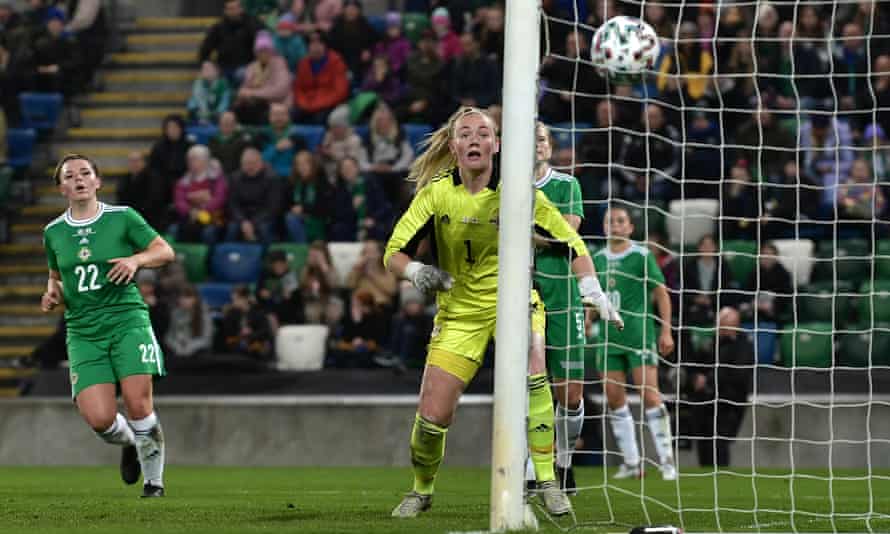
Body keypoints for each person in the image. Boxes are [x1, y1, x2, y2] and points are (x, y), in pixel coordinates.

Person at [384, 107, 621, 518]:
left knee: (535, 373)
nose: (474, 139)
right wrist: (419, 272)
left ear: (496, 144)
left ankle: (548, 481)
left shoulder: (519, 193)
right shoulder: (436, 193)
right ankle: (421, 490)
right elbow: (393, 253)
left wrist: (592, 289)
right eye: (465, 134)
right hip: (459, 313)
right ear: (454, 145)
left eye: (483, 133)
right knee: (432, 416)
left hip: (514, 303)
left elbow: (571, 242)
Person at [41, 154, 175, 497]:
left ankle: (154, 484)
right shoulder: (53, 232)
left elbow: (164, 252)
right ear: (62, 188)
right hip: (83, 329)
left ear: (98, 181)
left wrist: (135, 260)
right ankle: (130, 443)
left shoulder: (123, 217)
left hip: (126, 319)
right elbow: (56, 276)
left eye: (85, 173)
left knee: (137, 403)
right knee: (100, 419)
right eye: (70, 176)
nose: (79, 179)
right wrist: (51, 292)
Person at [592, 205, 676, 480]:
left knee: (649, 394)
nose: (615, 225)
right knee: (614, 398)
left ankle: (666, 460)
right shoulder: (597, 258)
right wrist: (586, 321)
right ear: (604, 227)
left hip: (638, 334)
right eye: (610, 221)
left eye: (620, 221)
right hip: (607, 338)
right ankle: (631, 462)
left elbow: (662, 294)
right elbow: (594, 298)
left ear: (630, 227)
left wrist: (666, 331)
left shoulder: (641, 255)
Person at [528, 122, 586, 494]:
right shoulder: (502, 187)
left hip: (564, 294)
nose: (538, 145)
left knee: (571, 395)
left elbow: (567, 233)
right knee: (530, 384)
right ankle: (533, 471)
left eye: (543, 139)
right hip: (522, 292)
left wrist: (523, 231)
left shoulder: (567, 185)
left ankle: (564, 462)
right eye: (531, 139)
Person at [686, 306, 754, 467]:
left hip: (729, 401)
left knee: (719, 443)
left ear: (735, 325)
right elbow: (697, 365)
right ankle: (705, 474)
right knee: (703, 442)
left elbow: (739, 375)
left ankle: (721, 475)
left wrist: (708, 380)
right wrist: (695, 378)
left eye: (725, 324)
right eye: (720, 323)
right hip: (706, 400)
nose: (721, 328)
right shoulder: (712, 343)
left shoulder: (744, 345)